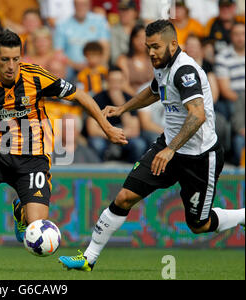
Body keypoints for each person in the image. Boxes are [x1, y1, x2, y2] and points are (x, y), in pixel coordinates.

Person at [0, 29, 127, 271]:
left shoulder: (36, 76)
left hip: (34, 158)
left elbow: (80, 95)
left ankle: (20, 212)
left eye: (16, 59)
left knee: (36, 226)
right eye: (5, 60)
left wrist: (106, 127)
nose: (11, 66)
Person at [59, 19, 245, 272]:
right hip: (167, 147)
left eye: (156, 46)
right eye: (148, 47)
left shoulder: (184, 71)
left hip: (199, 156)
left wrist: (171, 150)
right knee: (124, 197)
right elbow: (155, 91)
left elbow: (197, 115)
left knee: (199, 224)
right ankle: (88, 258)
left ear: (173, 44)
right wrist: (124, 107)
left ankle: (243, 216)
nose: (151, 53)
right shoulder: (162, 65)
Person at [86, 66, 146, 163]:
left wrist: (120, 105)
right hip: (104, 136)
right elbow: (92, 130)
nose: (115, 85)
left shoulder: (130, 99)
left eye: (119, 81)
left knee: (139, 145)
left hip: (124, 137)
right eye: (112, 81)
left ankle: (133, 173)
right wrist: (111, 134)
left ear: (123, 82)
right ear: (107, 81)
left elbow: (135, 131)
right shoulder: (97, 99)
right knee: (97, 144)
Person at [53, 0, 111, 77]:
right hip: (71, 67)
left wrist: (98, 65)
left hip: (95, 66)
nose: (81, 8)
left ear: (90, 5)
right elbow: (58, 51)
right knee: (56, 66)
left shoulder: (99, 20)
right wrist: (75, 65)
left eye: (84, 4)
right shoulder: (62, 23)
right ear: (73, 5)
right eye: (78, 4)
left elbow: (105, 47)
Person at [116, 24, 154, 96]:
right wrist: (138, 100)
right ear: (132, 39)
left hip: (150, 99)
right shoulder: (123, 60)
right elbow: (124, 85)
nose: (141, 41)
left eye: (144, 38)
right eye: (138, 37)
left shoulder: (153, 59)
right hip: (129, 98)